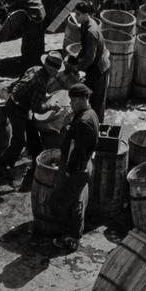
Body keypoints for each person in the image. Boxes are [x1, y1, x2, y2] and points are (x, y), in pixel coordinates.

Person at [0, 51, 62, 183]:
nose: (57, 74)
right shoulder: (41, 82)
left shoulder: (35, 69)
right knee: (19, 140)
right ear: (51, 70)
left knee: (33, 134)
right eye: (56, 71)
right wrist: (52, 106)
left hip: (18, 103)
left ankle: (36, 160)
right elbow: (37, 108)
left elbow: (31, 91)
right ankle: (2, 166)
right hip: (16, 108)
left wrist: (46, 97)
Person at [50, 83, 98, 252]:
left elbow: (77, 152)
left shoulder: (84, 122)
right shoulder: (90, 114)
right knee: (76, 201)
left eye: (72, 101)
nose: (70, 104)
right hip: (83, 166)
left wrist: (69, 171)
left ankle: (71, 239)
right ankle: (73, 234)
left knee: (65, 202)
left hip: (78, 168)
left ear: (81, 99)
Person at [66, 2, 110, 122]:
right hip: (93, 66)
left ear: (86, 15)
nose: (75, 16)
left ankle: (97, 126)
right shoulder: (84, 23)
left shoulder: (91, 32)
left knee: (97, 102)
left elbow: (90, 58)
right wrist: (77, 58)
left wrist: (76, 68)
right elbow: (85, 48)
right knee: (89, 97)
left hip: (100, 68)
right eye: (75, 13)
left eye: (78, 14)